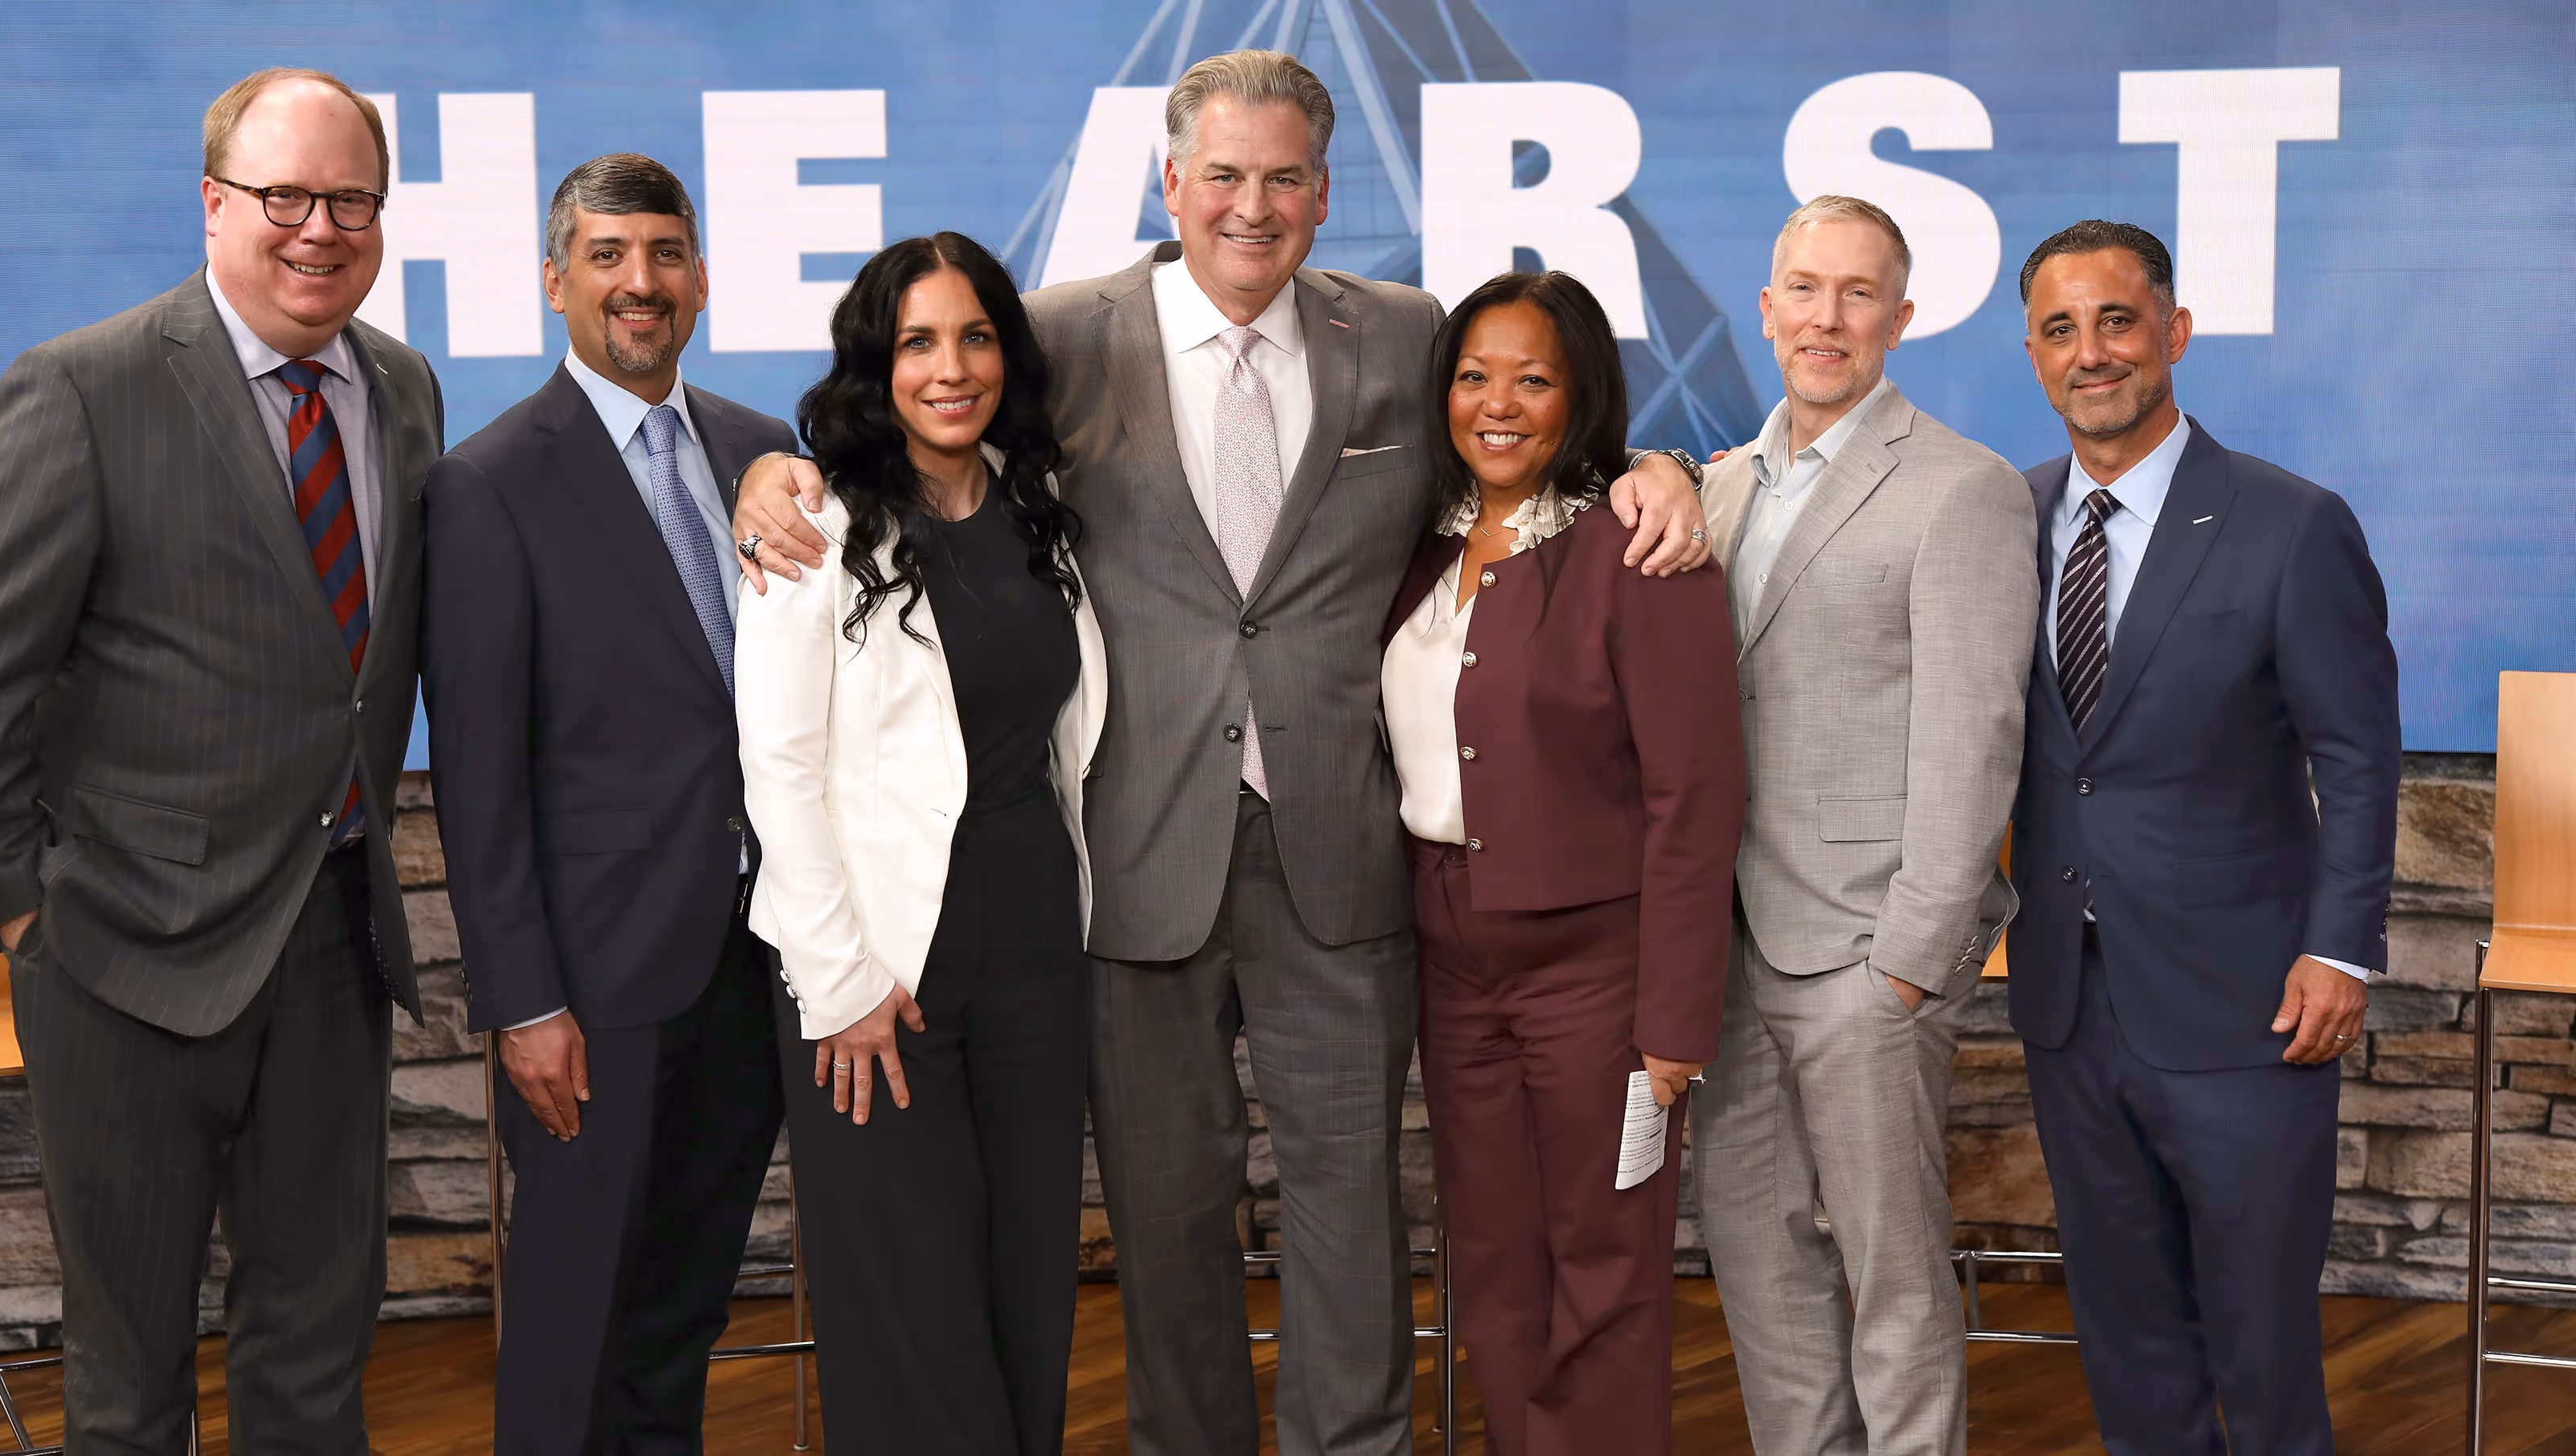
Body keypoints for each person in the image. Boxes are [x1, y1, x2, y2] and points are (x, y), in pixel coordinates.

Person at [730, 50, 1711, 1455]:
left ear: (1325, 193)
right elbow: (904, 413)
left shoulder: (1402, 333)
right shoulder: (1055, 335)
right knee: (1166, 1217)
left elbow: (1523, 439)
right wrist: (775, 470)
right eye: (1227, 175)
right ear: (1172, 182)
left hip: (1341, 856)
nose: (1254, 205)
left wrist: (1656, 469)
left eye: (1286, 177)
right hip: (1138, 859)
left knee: (1351, 1214)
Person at [0, 68, 439, 1454]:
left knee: (316, 1360)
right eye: (285, 196)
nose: (320, 229)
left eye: (352, 201)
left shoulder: (402, 386)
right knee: (131, 1382)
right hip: (119, 959)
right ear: (213, 204)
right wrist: (21, 911)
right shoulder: (85, 387)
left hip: (330, 940)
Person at [422, 153, 800, 1454]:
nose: (641, 282)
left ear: (701, 277)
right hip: (593, 983)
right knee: (571, 1316)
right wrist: (523, 1001)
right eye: (607, 256)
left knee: (684, 1309)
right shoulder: (489, 482)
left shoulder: (761, 450)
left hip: (755, 962)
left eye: (664, 254)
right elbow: (478, 775)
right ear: (554, 281)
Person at [2004, 220, 2396, 1454]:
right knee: (2126, 1334)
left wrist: (2341, 949)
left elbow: (2357, 755)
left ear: (2173, 331)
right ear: (2033, 355)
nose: (2091, 351)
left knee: (2263, 1344)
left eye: (2117, 320)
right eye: (2061, 329)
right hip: (2069, 1001)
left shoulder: (2292, 523)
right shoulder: (2003, 520)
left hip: (2247, 1006)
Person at [734, 231, 1105, 1456]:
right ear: (875, 364)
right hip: (878, 961)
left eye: (976, 336)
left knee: (1025, 1284)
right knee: (911, 1304)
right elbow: (779, 769)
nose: (952, 368)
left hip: (1035, 943)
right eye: (919, 343)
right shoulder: (815, 527)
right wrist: (835, 981)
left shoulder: (1038, 506)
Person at [1689, 195, 2038, 1456]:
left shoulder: (1964, 488)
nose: (1826, 317)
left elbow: (1975, 735)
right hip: (1725, 947)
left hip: (1864, 952)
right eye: (1804, 288)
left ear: (1902, 315)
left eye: (1857, 293)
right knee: (1757, 1255)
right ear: (1767, 306)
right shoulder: (1721, 485)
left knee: (1893, 1270)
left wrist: (1912, 958)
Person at [1380, 271, 1744, 1455]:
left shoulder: (1641, 551)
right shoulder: (1416, 546)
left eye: (1532, 379)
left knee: (1605, 1263)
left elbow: (1695, 800)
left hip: (1599, 973)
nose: (1497, 404)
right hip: (1451, 962)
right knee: (1493, 1259)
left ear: (1580, 395)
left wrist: (1675, 1018)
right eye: (1473, 376)